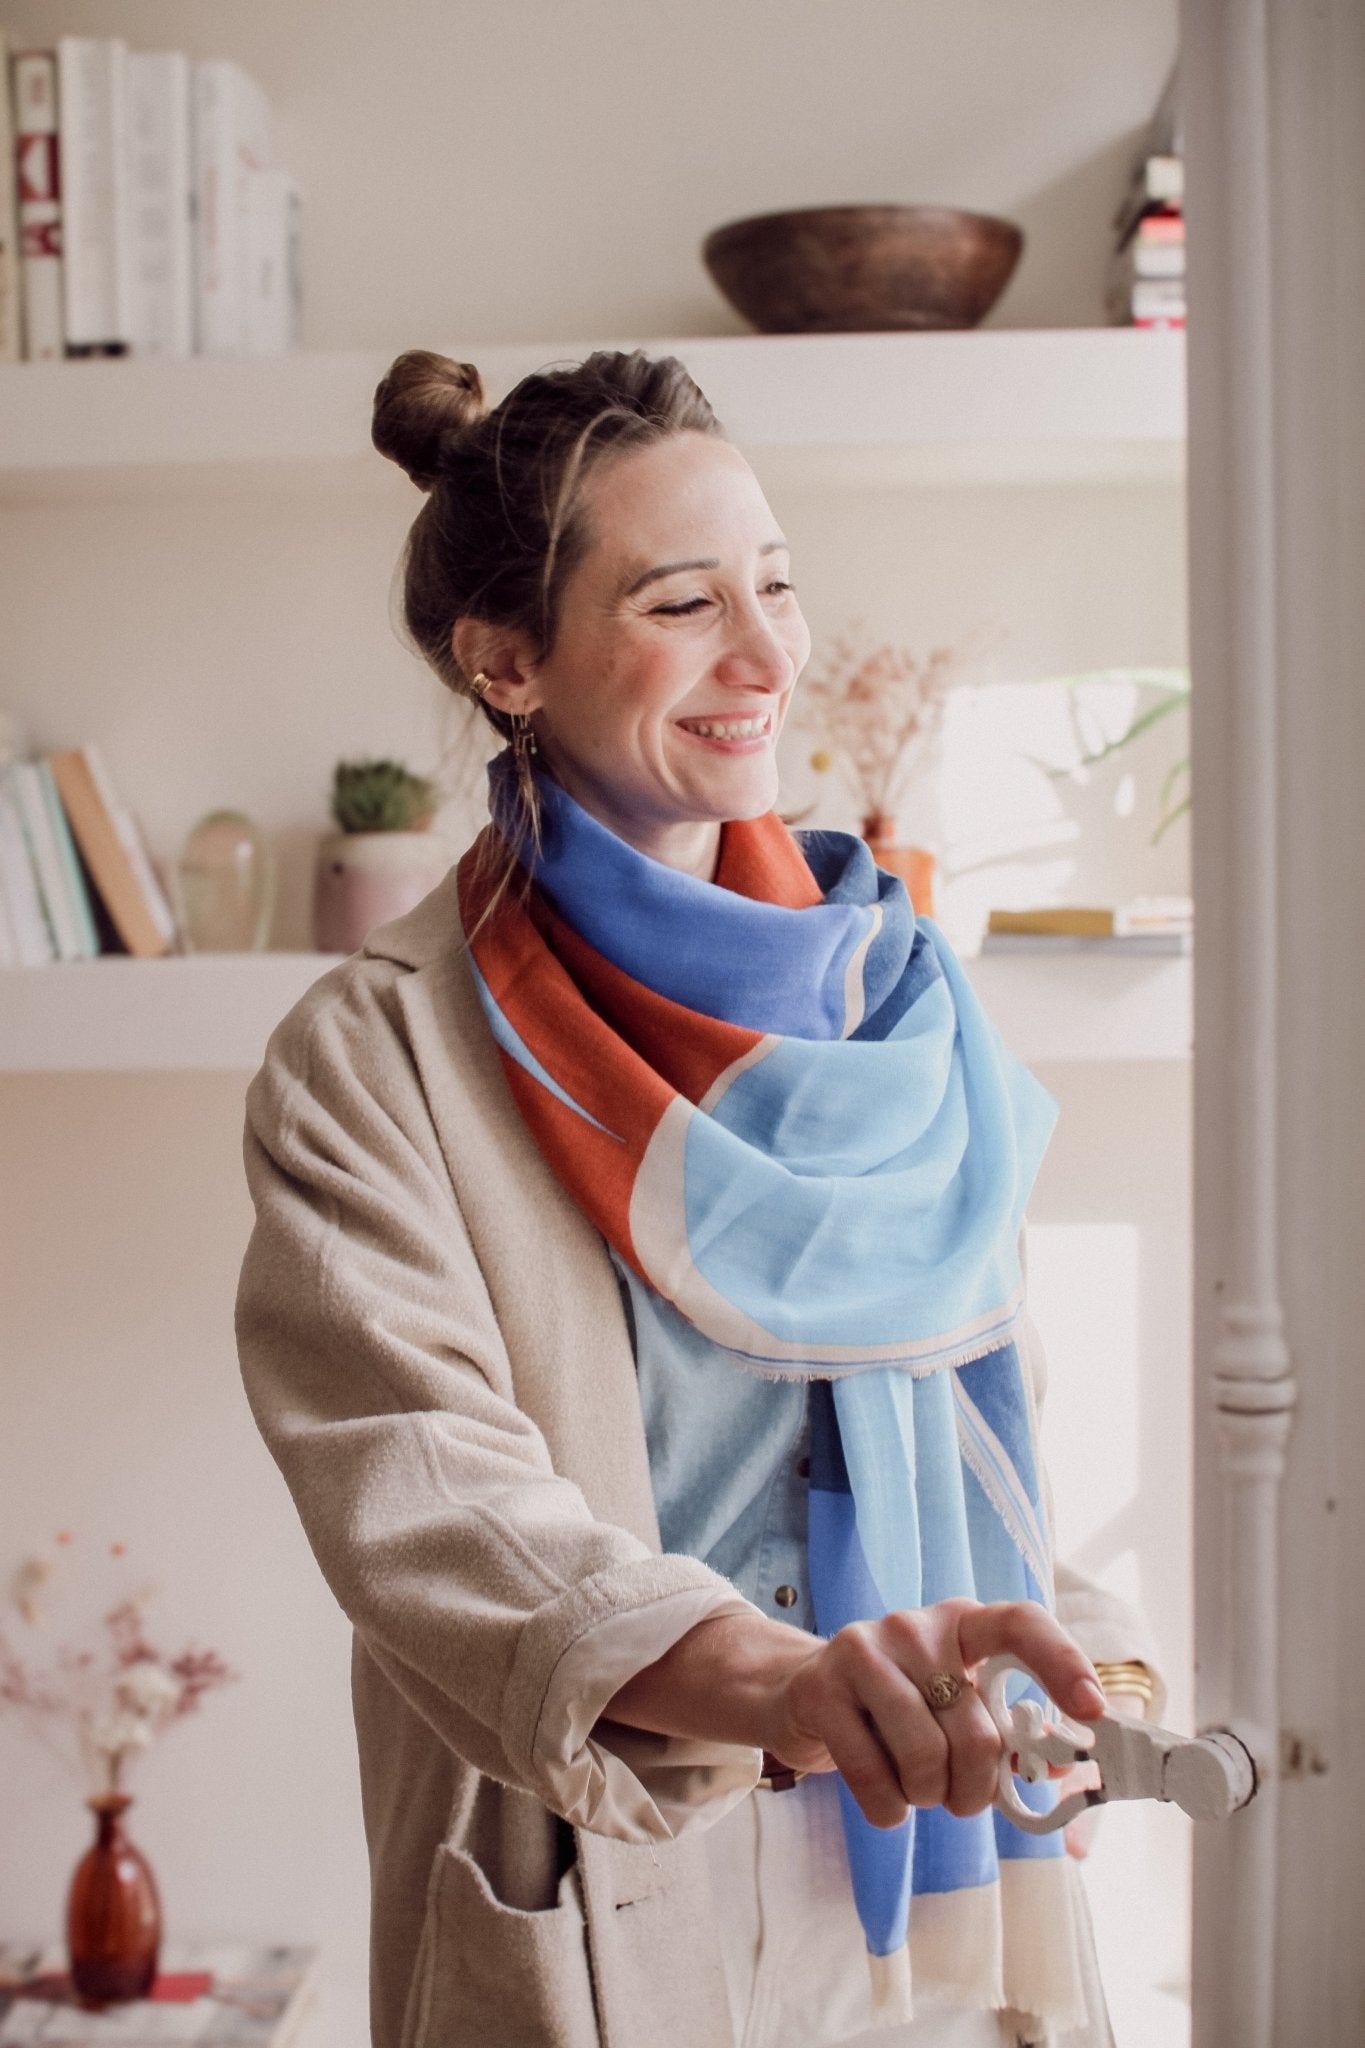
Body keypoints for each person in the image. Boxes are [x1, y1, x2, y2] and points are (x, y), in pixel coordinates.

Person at [235, 349, 1163, 2048]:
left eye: (777, 585)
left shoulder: (896, 993)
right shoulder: (380, 1057)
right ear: (508, 661)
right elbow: (427, 1503)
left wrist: (1094, 1664)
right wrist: (790, 1687)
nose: (764, 656)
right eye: (681, 603)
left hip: (963, 1843)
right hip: (630, 1857)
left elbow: (986, 1392)